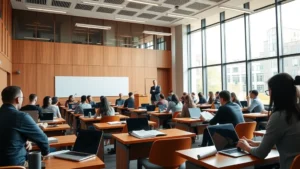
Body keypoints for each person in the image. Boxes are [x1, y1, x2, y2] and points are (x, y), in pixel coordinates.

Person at [237, 73, 300, 169]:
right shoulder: (297, 111)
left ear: (276, 92)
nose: (269, 93)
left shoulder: (279, 116)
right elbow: (289, 143)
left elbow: (261, 154)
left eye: (269, 90)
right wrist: (258, 143)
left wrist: (246, 147)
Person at [0, 86, 49, 166]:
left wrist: (23, 142)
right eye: (22, 98)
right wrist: (45, 155)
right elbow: (43, 139)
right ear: (18, 99)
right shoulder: (21, 116)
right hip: (16, 165)